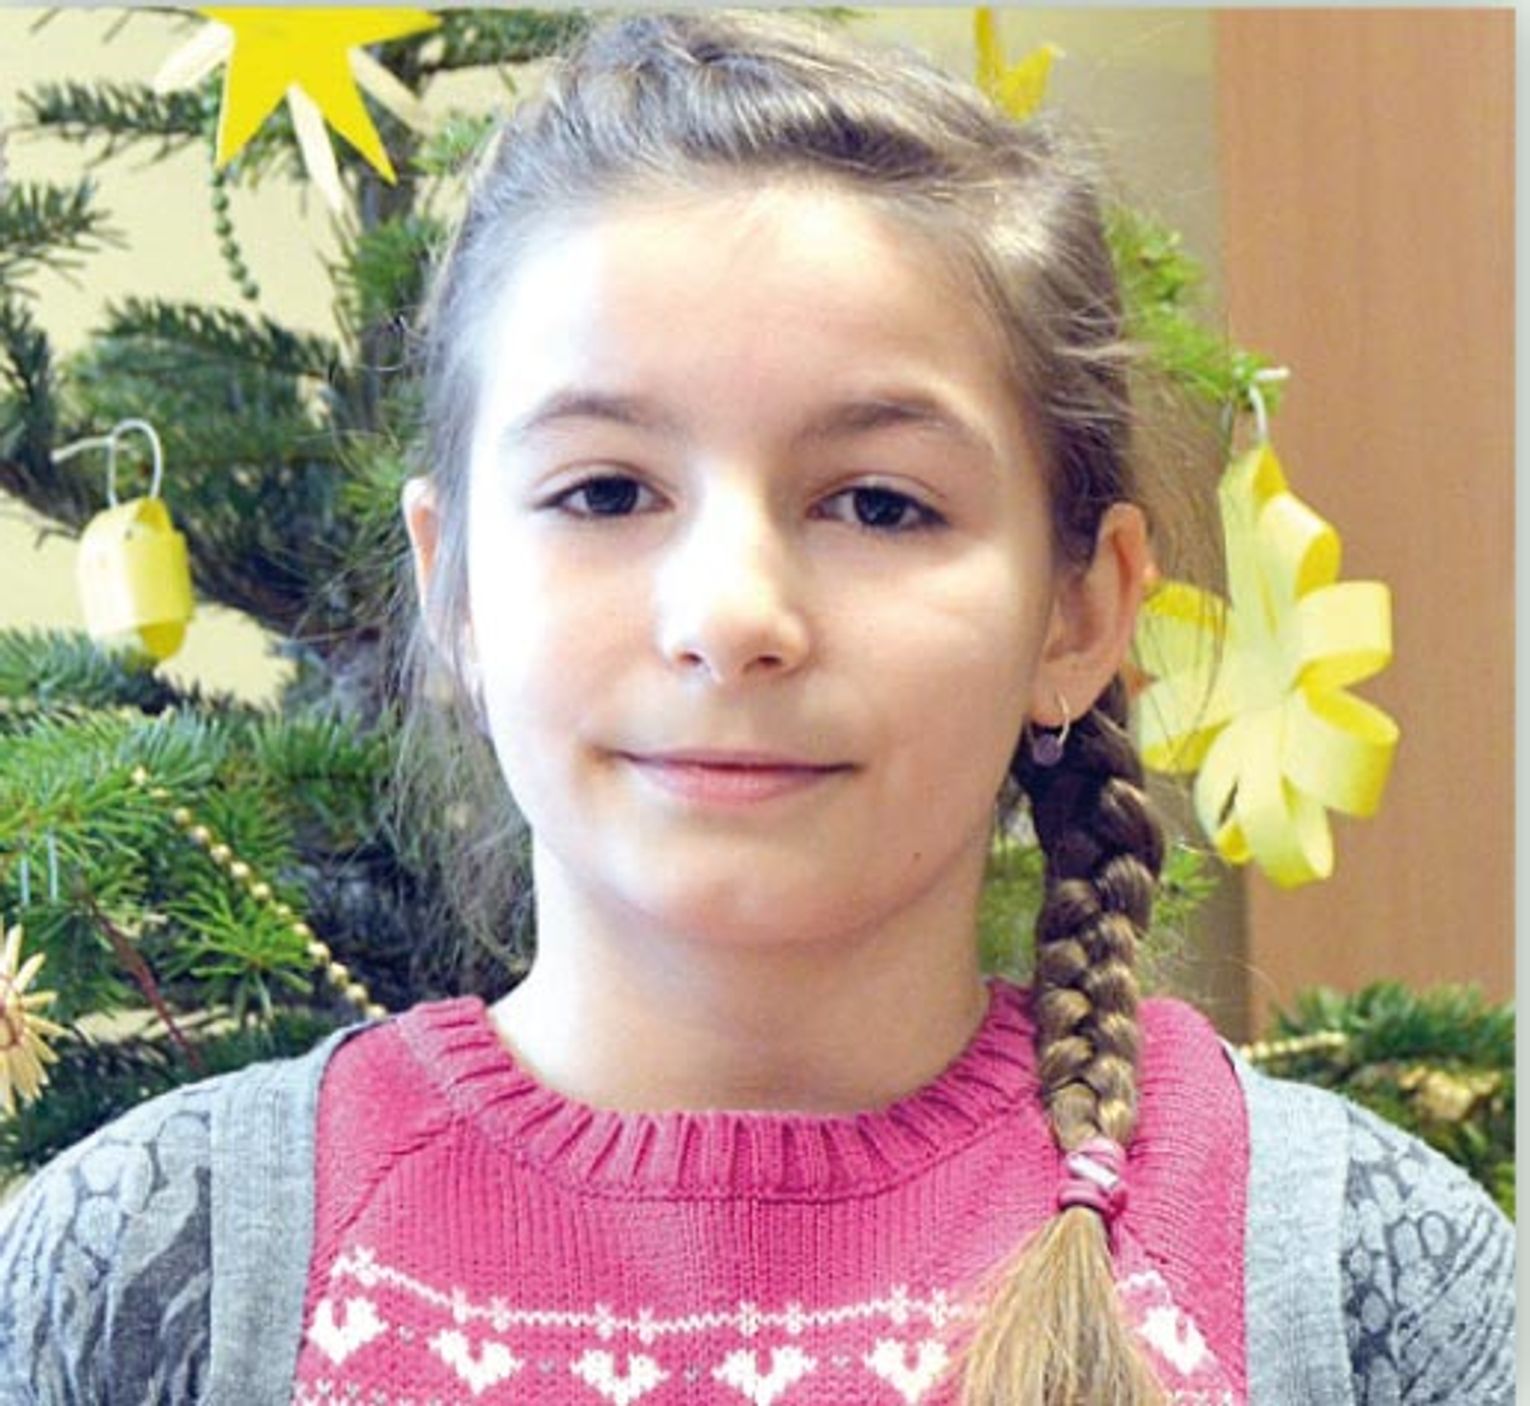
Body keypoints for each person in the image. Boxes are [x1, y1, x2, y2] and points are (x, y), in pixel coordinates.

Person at [0, 11, 1513, 1405]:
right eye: (605, 491)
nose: (730, 617)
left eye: (878, 501)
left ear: (1079, 615)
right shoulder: (146, 1270)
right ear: (453, 588)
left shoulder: (1360, 1274)